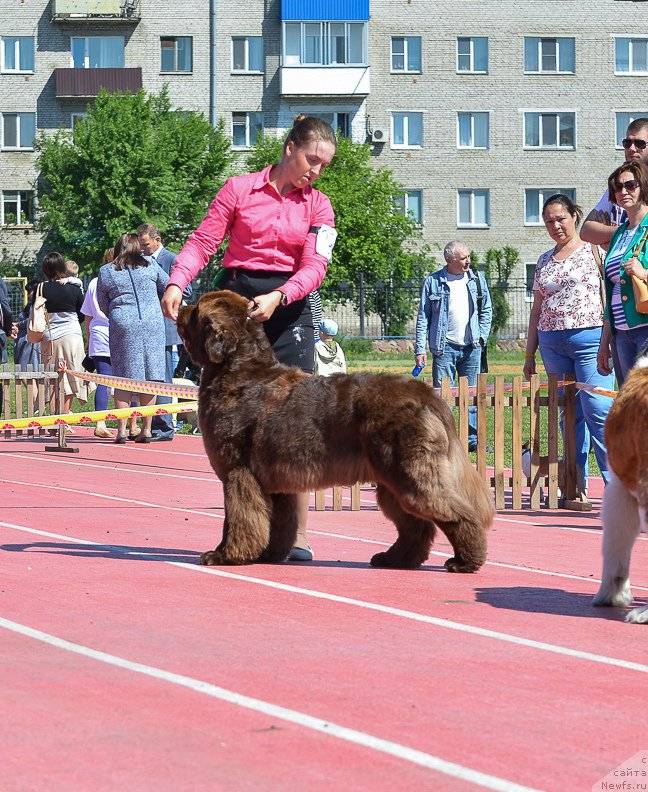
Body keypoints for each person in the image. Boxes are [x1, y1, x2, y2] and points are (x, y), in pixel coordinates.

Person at [162, 114, 337, 562]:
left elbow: (315, 267)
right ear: (289, 148)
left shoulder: (320, 205)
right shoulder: (238, 189)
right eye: (311, 159)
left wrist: (281, 295)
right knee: (233, 428)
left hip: (288, 308)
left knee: (295, 425)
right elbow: (204, 241)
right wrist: (177, 283)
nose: (315, 171)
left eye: (323, 166)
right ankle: (242, 533)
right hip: (235, 309)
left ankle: (294, 535)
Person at [523, 193, 614, 489]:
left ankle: (618, 487)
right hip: (551, 342)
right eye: (549, 221)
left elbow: (610, 294)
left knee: (598, 410)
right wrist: (529, 355)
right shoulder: (543, 260)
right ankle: (576, 485)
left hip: (590, 339)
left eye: (561, 218)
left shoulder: (595, 251)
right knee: (568, 416)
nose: (556, 226)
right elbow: (536, 310)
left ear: (575, 216)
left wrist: (608, 337)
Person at [414, 240, 492, 452]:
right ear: (449, 260)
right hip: (444, 347)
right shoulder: (433, 281)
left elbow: (486, 311)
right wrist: (420, 349)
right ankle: (444, 439)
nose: (468, 261)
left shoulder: (477, 280)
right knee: (443, 397)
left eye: (469, 256)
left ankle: (472, 440)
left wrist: (482, 338)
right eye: (463, 258)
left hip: (472, 347)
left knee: (472, 396)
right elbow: (423, 317)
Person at [97, 233, 169, 443]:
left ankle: (121, 430)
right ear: (138, 247)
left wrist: (117, 314)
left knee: (123, 376)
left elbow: (102, 303)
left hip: (123, 322)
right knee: (151, 377)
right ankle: (146, 429)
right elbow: (168, 285)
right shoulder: (150, 265)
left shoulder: (106, 271)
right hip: (152, 323)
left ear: (118, 248)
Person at [137, 223, 192, 442]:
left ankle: (165, 426)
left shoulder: (171, 260)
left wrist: (160, 280)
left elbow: (185, 289)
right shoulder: (141, 260)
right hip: (147, 327)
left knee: (163, 378)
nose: (142, 249)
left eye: (146, 244)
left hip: (165, 328)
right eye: (140, 245)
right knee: (150, 379)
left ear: (157, 240)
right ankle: (152, 423)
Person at [596, 161, 648, 387]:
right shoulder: (618, 233)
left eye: (630, 185)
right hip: (620, 332)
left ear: (643, 186)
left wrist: (644, 271)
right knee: (628, 403)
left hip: (645, 328)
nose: (623, 191)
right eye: (617, 187)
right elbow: (612, 289)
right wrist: (605, 340)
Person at [39, 252, 94, 418]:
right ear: (63, 266)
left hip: (50, 337)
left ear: (45, 269)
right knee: (70, 375)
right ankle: (64, 415)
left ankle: (53, 416)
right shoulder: (74, 288)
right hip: (72, 336)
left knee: (53, 377)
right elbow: (83, 313)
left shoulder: (41, 288)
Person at [581, 117, 648, 248]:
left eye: (639, 143)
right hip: (616, 266)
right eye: (627, 143)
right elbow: (586, 232)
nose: (632, 149)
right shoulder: (619, 185)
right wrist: (621, 233)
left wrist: (606, 237)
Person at [12, 278, 41, 410]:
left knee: (26, 374)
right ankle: (35, 404)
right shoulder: (30, 304)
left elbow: (31, 321)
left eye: (30, 291)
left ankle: (36, 405)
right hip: (23, 341)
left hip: (29, 343)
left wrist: (17, 324)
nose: (28, 294)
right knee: (26, 374)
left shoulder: (37, 305)